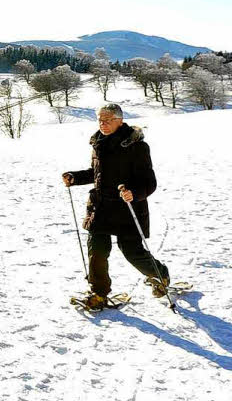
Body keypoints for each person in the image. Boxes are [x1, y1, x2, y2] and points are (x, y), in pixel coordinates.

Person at [62, 103, 170, 308]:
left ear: (120, 121)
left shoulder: (136, 146)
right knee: (97, 250)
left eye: (108, 120)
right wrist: (75, 177)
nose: (102, 124)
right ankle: (99, 292)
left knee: (132, 251)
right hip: (101, 206)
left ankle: (160, 275)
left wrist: (134, 193)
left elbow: (149, 182)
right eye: (100, 120)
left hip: (127, 207)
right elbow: (97, 175)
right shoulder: (99, 143)